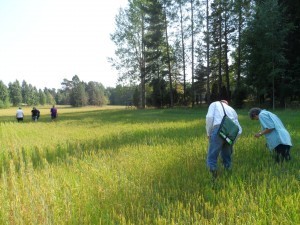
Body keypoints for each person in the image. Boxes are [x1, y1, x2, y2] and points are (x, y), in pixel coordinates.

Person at [206, 100, 242, 178]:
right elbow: (238, 128)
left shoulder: (214, 103)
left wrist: (208, 133)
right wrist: (232, 141)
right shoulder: (232, 109)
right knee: (227, 155)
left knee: (212, 155)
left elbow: (209, 118)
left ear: (221, 102)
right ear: (226, 104)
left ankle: (213, 177)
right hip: (231, 132)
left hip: (219, 128)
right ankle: (228, 174)